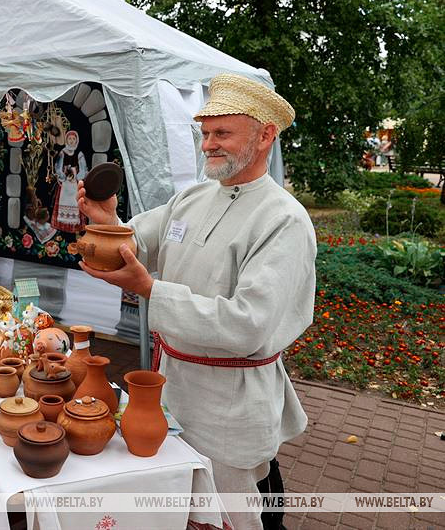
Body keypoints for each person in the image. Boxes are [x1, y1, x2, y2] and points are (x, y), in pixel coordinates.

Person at [77, 74, 314, 530]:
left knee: (230, 514)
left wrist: (151, 290)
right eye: (204, 133)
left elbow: (248, 325)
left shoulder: (284, 220)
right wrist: (107, 221)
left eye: (222, 133)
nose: (207, 145)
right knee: (177, 505)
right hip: (172, 390)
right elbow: (135, 243)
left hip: (230, 406)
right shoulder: (192, 197)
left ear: (266, 135)